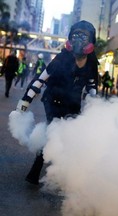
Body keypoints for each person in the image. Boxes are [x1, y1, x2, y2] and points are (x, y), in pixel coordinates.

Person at [15, 20, 99, 185]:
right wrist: (26, 100)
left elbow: (91, 85)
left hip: (73, 103)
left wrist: (95, 104)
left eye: (84, 35)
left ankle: (65, 175)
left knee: (71, 135)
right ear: (69, 39)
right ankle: (34, 173)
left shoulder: (91, 63)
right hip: (53, 99)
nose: (79, 39)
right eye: (75, 35)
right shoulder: (61, 58)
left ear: (91, 41)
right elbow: (40, 80)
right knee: (52, 132)